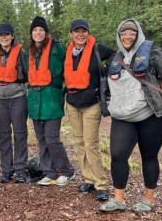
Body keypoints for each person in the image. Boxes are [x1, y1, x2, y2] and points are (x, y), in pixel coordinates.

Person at [99, 19, 162, 213]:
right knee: (118, 155)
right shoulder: (114, 59)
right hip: (123, 116)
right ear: (118, 36)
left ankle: (148, 199)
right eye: (123, 33)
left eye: (132, 33)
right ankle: (118, 199)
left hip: (153, 115)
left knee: (149, 156)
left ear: (138, 35)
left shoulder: (153, 54)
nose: (127, 37)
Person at [64, 19, 115, 200]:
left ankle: (101, 184)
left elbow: (116, 55)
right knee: (79, 143)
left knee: (90, 143)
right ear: (71, 34)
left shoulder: (97, 49)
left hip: (91, 103)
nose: (80, 34)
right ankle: (88, 179)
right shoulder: (68, 52)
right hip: (72, 103)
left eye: (83, 31)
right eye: (76, 31)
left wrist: (107, 71)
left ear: (88, 33)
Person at [26, 16, 75, 186]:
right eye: (35, 30)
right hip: (34, 99)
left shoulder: (57, 48)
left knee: (52, 138)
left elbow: (70, 65)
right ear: (31, 33)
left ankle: (67, 170)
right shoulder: (29, 52)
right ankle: (49, 172)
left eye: (41, 30)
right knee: (41, 139)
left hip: (51, 99)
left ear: (46, 33)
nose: (38, 33)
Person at [0, 24, 29, 183]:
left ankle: (21, 169)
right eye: (0, 35)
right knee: (3, 135)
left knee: (20, 133)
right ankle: (7, 170)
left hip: (17, 95)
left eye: (7, 34)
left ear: (12, 36)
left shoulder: (21, 52)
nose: (3, 37)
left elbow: (28, 73)